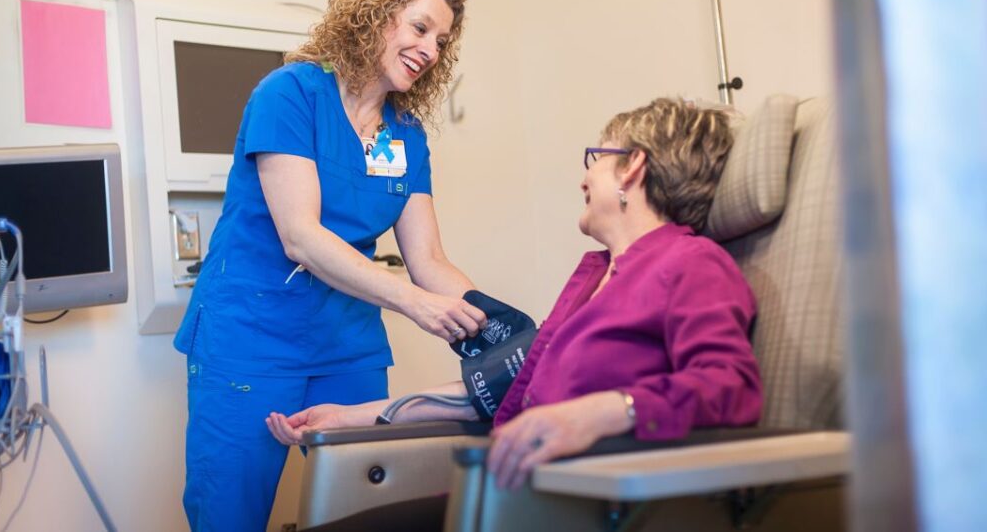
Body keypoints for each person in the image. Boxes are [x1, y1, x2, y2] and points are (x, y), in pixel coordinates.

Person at [267, 97, 764, 492]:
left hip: (588, 499)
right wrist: (349, 417)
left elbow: (732, 386)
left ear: (632, 168)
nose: (583, 178)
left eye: (596, 159)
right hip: (513, 490)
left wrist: (606, 412)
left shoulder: (692, 264)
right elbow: (499, 390)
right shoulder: (595, 278)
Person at [174, 0, 488, 532]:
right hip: (250, 336)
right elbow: (302, 236)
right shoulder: (291, 93)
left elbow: (429, 260)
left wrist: (496, 324)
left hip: (346, 342)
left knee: (367, 511)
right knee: (229, 513)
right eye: (420, 28)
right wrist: (416, 304)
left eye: (442, 42)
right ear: (374, 15)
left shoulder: (404, 135)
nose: (430, 50)